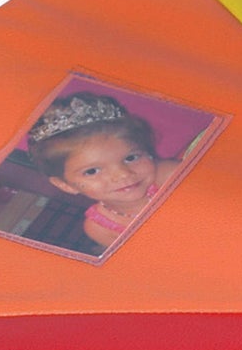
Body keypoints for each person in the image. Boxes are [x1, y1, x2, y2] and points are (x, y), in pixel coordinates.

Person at [26, 93, 181, 251]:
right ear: (65, 185)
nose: (122, 174)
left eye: (131, 157)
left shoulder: (171, 176)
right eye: (92, 171)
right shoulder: (100, 228)